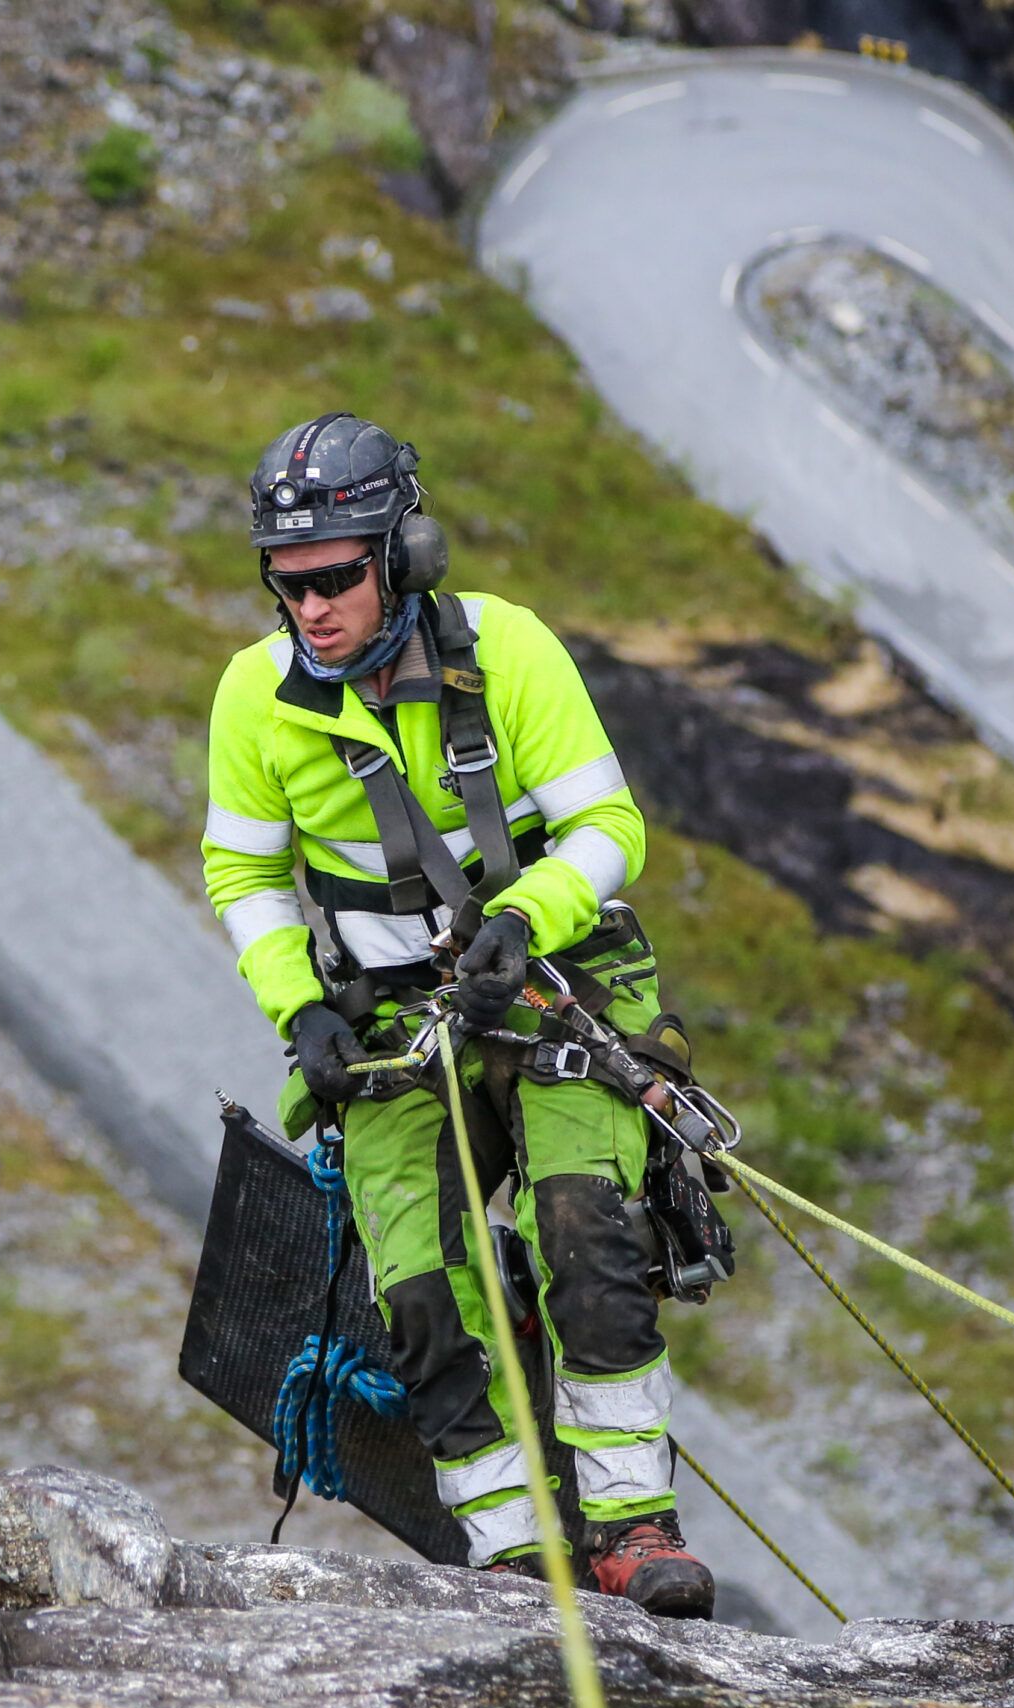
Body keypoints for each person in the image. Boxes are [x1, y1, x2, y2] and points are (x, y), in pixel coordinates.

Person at [201, 411, 716, 1619]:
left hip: (551, 985)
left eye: (334, 579)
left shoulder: (514, 652)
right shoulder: (253, 699)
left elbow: (608, 829)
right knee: (417, 1290)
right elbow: (246, 877)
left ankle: (632, 1525)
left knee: (584, 1223)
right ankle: (513, 1554)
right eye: (288, 586)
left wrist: (525, 917)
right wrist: (299, 1013)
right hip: (384, 1024)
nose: (310, 609)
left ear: (402, 555)